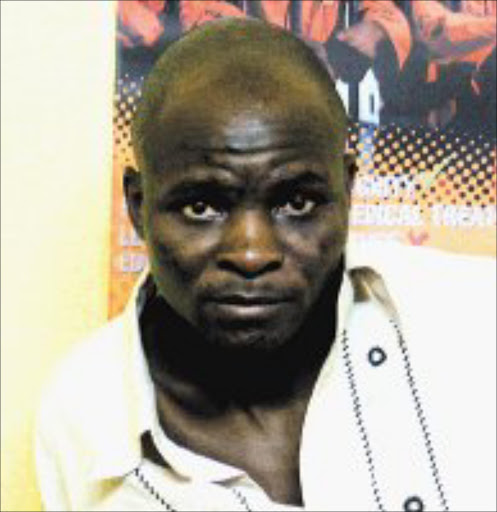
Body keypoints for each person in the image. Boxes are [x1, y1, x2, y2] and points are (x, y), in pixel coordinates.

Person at [35, 18, 496, 511]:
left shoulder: (471, 319)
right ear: (138, 205)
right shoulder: (85, 417)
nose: (252, 254)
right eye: (201, 207)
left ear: (346, 189)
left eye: (296, 202)